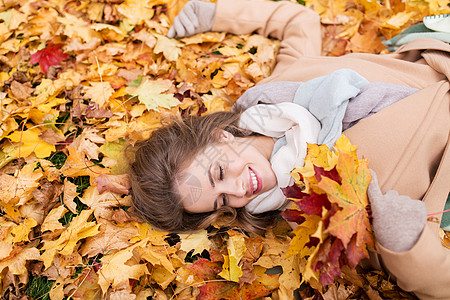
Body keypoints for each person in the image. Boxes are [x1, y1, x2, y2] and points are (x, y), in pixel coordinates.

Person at [128, 0, 450, 299]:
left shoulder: (276, 94)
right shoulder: (312, 212)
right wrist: (407, 247)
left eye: (220, 173)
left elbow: (300, 21)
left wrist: (213, 14)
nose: (239, 189)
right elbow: (426, 277)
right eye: (223, 200)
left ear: (221, 137)